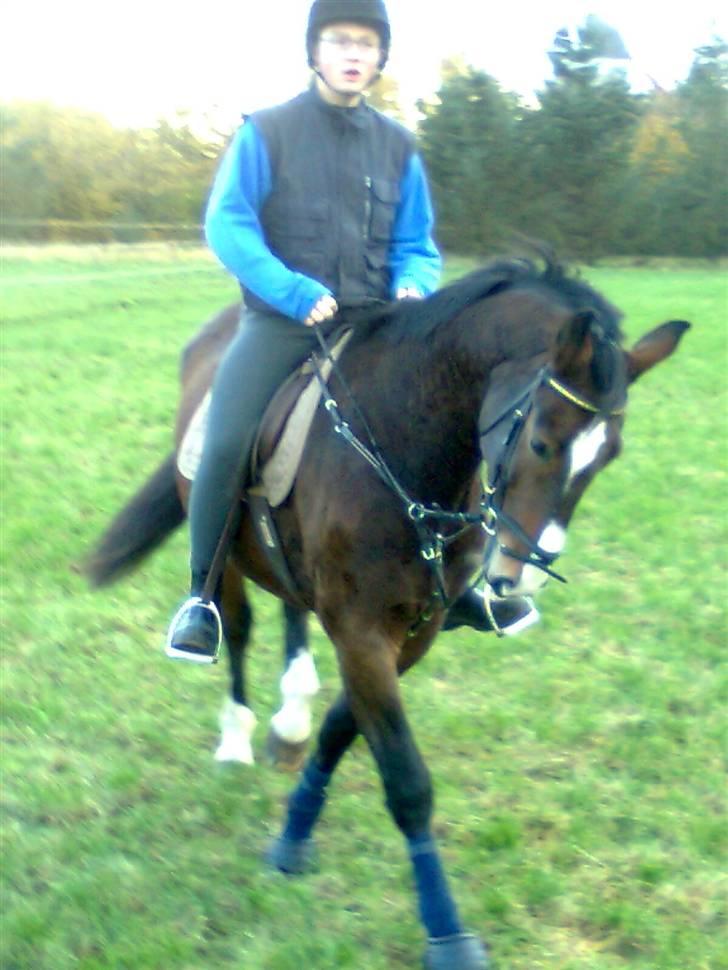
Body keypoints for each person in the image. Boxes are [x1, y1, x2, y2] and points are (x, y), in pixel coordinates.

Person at [166, 0, 537, 663]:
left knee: (458, 423)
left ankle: (461, 580)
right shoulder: (267, 132)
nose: (353, 53)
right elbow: (228, 224)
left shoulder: (398, 146)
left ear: (380, 56)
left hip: (379, 322)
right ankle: (202, 597)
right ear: (315, 51)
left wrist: (414, 282)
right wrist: (292, 291)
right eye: (339, 40)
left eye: (366, 43)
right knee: (223, 439)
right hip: (283, 322)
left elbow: (417, 241)